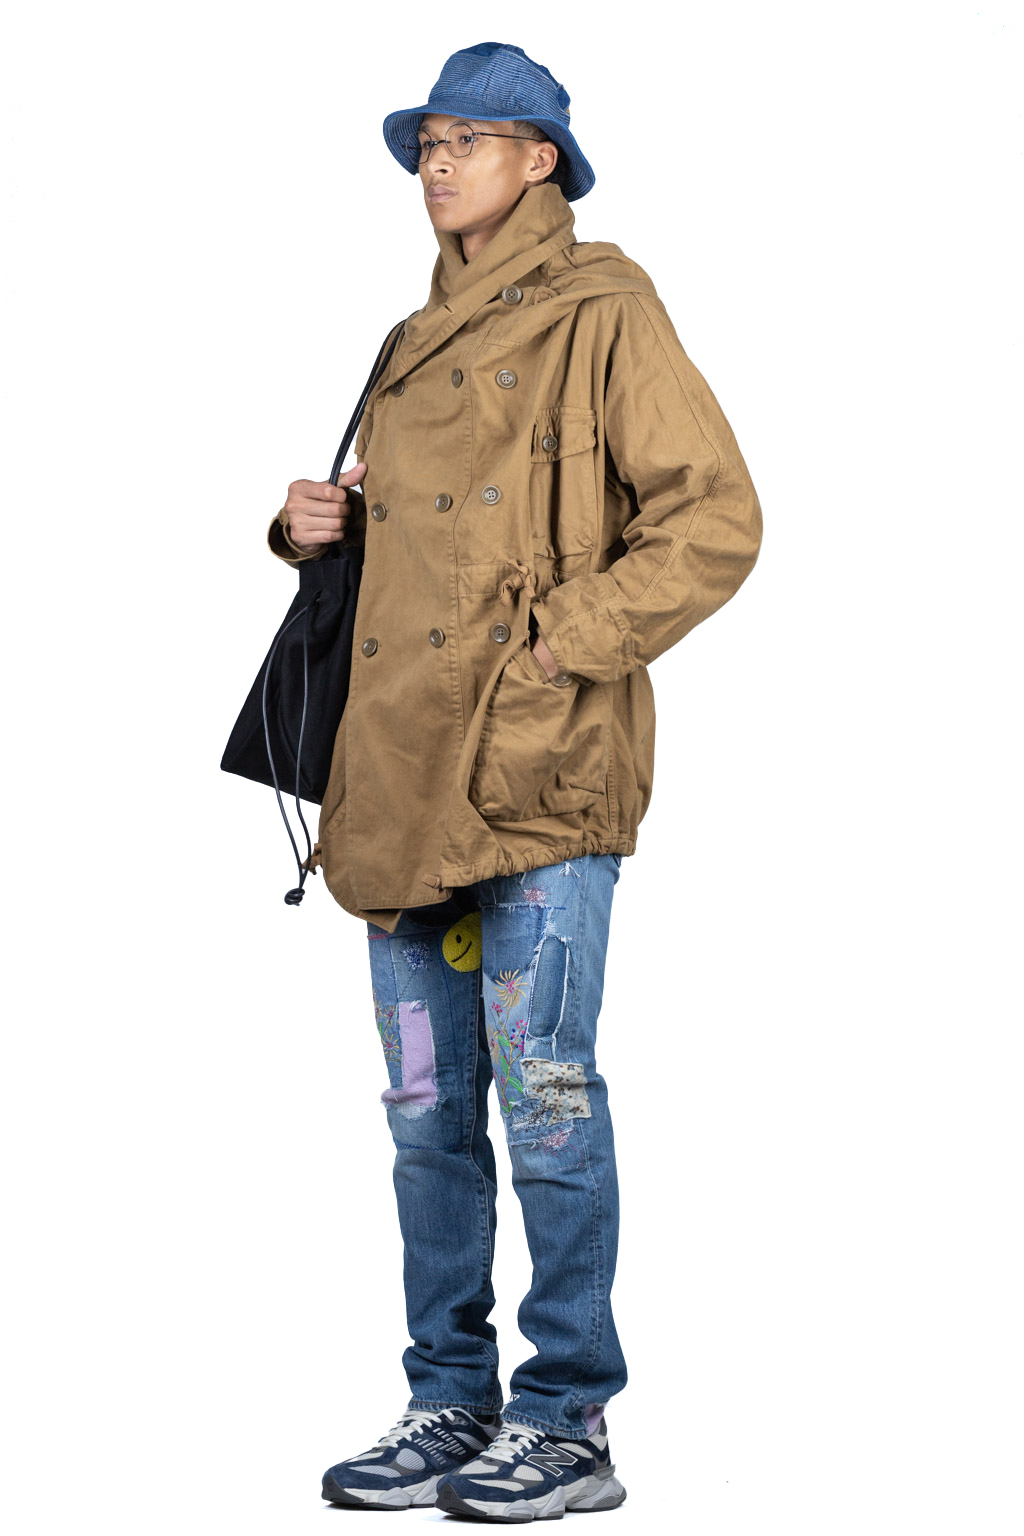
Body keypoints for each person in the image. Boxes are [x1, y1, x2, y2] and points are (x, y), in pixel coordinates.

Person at [267, 40, 762, 1521]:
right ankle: (449, 1398)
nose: (437, 164)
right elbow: (415, 548)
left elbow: (715, 518)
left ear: (541, 160)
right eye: (427, 142)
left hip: (539, 772)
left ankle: (567, 1420)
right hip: (398, 775)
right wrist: (310, 530)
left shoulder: (607, 309)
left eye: (468, 141)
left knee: (544, 1099)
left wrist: (563, 645)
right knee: (425, 1111)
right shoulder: (408, 336)